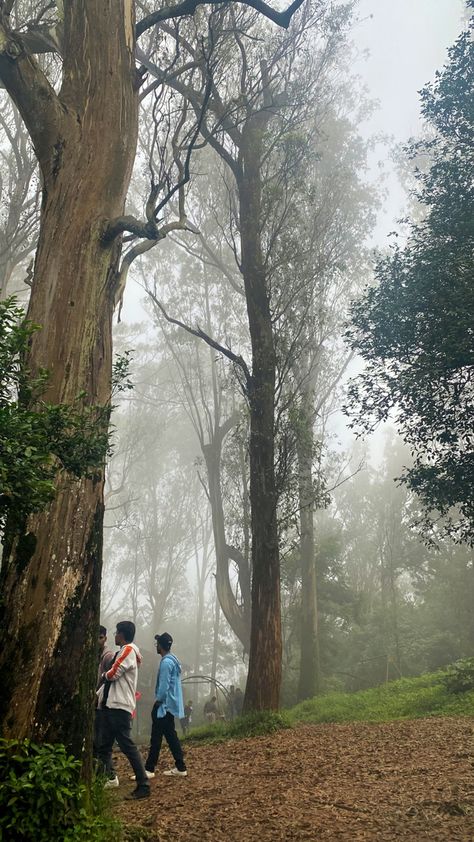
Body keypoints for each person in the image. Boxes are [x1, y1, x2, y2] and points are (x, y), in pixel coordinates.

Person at [96, 620, 150, 800]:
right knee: (104, 747)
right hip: (112, 705)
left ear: (123, 634)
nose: (114, 635)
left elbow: (113, 673)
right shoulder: (125, 651)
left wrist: (104, 675)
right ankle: (109, 778)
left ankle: (143, 785)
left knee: (127, 746)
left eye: (116, 632)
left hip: (120, 706)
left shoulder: (128, 650)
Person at [141, 632, 187, 778]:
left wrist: (158, 700)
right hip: (169, 705)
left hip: (164, 706)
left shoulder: (166, 663)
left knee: (156, 737)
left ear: (160, 646)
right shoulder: (173, 661)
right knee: (170, 736)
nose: (156, 646)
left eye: (157, 644)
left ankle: (149, 769)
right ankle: (180, 767)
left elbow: (164, 685)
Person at [93, 625, 115, 759]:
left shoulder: (108, 656)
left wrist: (99, 696)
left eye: (100, 638)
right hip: (95, 702)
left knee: (101, 739)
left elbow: (110, 680)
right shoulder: (93, 654)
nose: (98, 641)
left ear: (105, 638)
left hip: (103, 703)